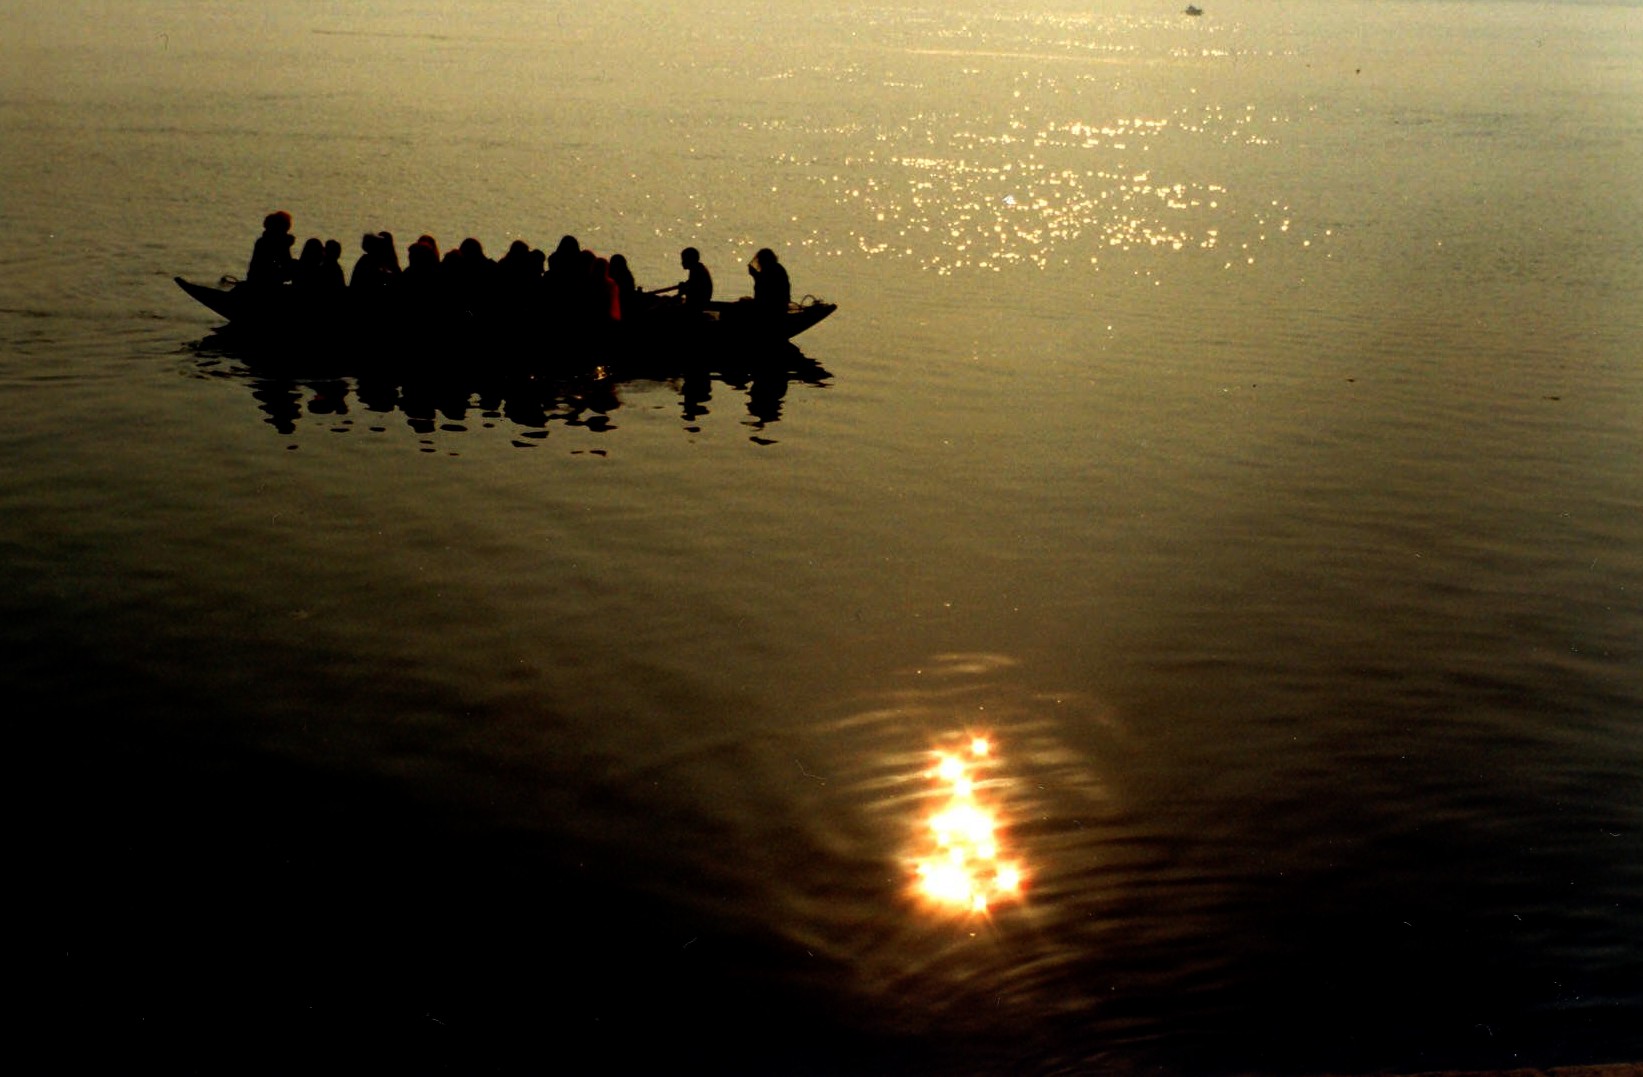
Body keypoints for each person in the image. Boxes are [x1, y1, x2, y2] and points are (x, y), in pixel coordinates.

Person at [246, 210, 295, 286]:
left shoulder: (262, 241)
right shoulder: (280, 244)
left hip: (254, 281)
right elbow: (287, 271)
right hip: (268, 284)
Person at [747, 247, 790, 316]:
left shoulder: (774, 269)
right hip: (779, 306)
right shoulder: (775, 268)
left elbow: (766, 287)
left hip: (772, 307)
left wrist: (755, 275)